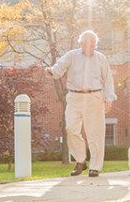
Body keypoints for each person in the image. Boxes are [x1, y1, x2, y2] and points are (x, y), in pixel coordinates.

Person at [46, 30, 116, 177]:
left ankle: (95, 167)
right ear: (81, 44)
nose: (90, 48)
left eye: (93, 45)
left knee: (95, 133)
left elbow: (108, 79)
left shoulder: (101, 58)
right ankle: (80, 160)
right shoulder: (72, 55)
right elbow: (59, 68)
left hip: (95, 97)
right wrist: (52, 71)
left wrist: (109, 98)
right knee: (71, 129)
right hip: (74, 97)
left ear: (96, 45)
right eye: (87, 45)